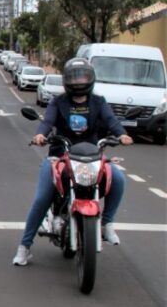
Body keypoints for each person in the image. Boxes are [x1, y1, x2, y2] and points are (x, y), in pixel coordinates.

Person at [12, 58, 131, 266]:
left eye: (83, 76)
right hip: (60, 156)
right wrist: (41, 135)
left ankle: (107, 223)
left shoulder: (98, 102)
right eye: (74, 78)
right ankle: (24, 247)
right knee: (42, 198)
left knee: (118, 179)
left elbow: (112, 121)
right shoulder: (58, 102)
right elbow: (47, 122)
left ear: (91, 78)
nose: (79, 82)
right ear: (67, 81)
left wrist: (122, 135)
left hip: (93, 156)